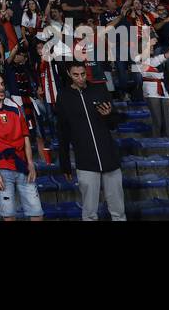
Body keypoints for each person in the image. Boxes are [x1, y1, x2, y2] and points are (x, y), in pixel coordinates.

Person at [56, 61, 125, 221]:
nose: (80, 78)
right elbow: (62, 132)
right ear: (69, 74)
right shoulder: (64, 96)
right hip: (85, 160)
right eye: (76, 75)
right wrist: (65, 163)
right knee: (89, 213)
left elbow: (114, 123)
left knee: (118, 210)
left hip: (109, 157)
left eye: (83, 74)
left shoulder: (99, 89)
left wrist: (109, 116)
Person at [0, 70, 42, 221]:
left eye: (2, 84)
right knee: (9, 216)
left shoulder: (14, 106)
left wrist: (30, 163)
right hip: (1, 168)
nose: (0, 88)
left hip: (22, 166)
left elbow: (25, 137)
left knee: (37, 212)